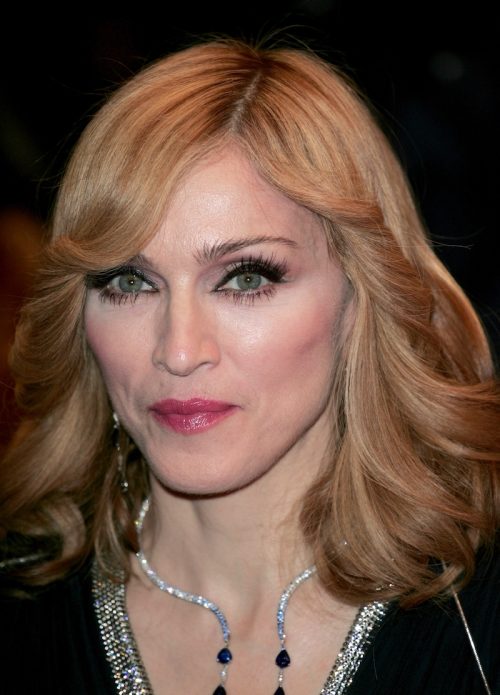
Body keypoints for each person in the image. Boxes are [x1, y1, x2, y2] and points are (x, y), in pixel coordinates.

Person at [0, 39, 498, 695]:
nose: (179, 351)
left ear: (360, 296)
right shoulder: (20, 610)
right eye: (128, 281)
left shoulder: (479, 620)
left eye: (245, 278)